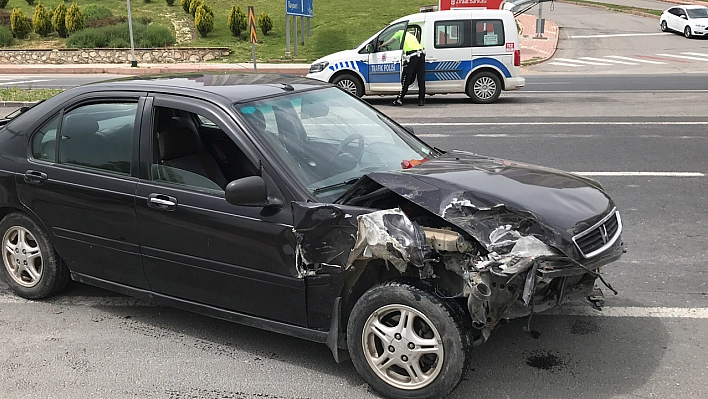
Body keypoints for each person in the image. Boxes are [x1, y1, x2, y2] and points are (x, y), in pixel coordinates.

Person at [380, 29, 426, 106]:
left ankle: (399, 99)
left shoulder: (399, 33)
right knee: (421, 79)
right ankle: (421, 100)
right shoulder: (410, 35)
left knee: (406, 78)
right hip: (421, 55)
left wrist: (380, 46)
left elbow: (390, 42)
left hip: (412, 56)